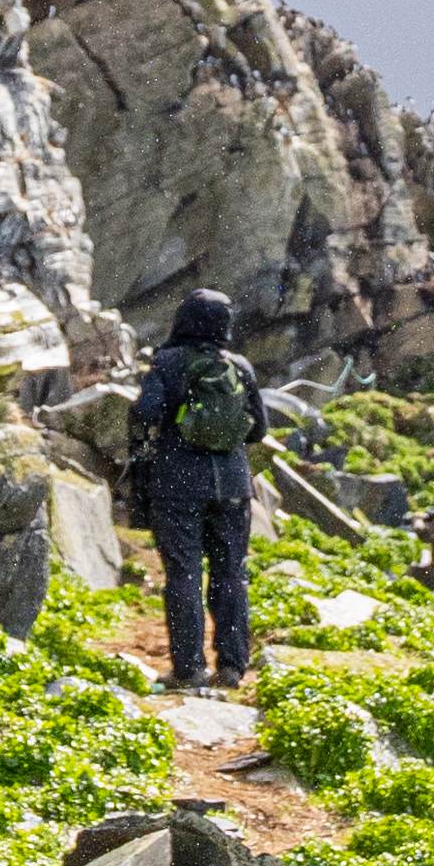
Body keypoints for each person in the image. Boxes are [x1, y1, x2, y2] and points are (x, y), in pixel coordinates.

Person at [125, 290, 264, 692]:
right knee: (230, 574)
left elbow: (146, 413)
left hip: (177, 485)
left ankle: (188, 670)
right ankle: (233, 667)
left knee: (183, 573)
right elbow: (260, 429)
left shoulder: (167, 362)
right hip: (234, 486)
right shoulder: (239, 366)